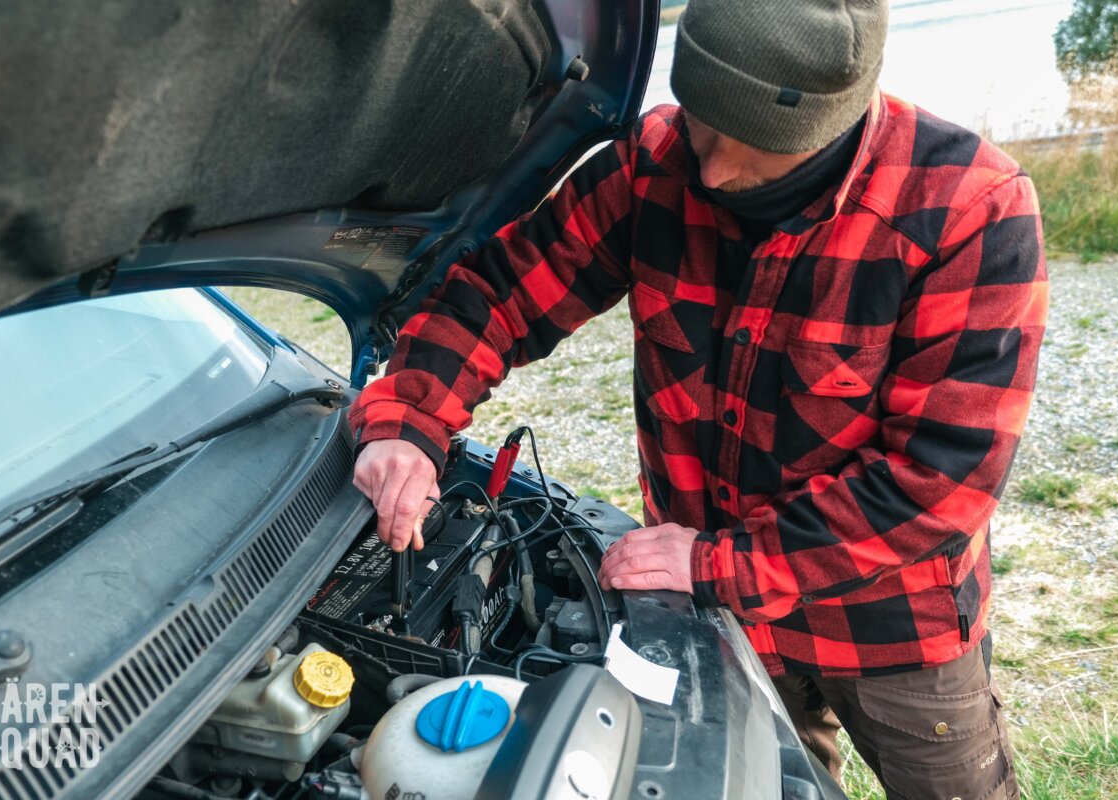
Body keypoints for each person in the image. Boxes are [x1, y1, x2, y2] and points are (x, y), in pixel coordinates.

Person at [349, 1, 1046, 796]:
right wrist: (407, 422)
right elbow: (502, 293)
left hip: (888, 632)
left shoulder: (969, 209)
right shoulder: (656, 162)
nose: (710, 172)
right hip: (715, 617)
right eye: (703, 126)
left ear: (829, 124)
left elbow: (939, 483)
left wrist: (717, 563)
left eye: (747, 147)